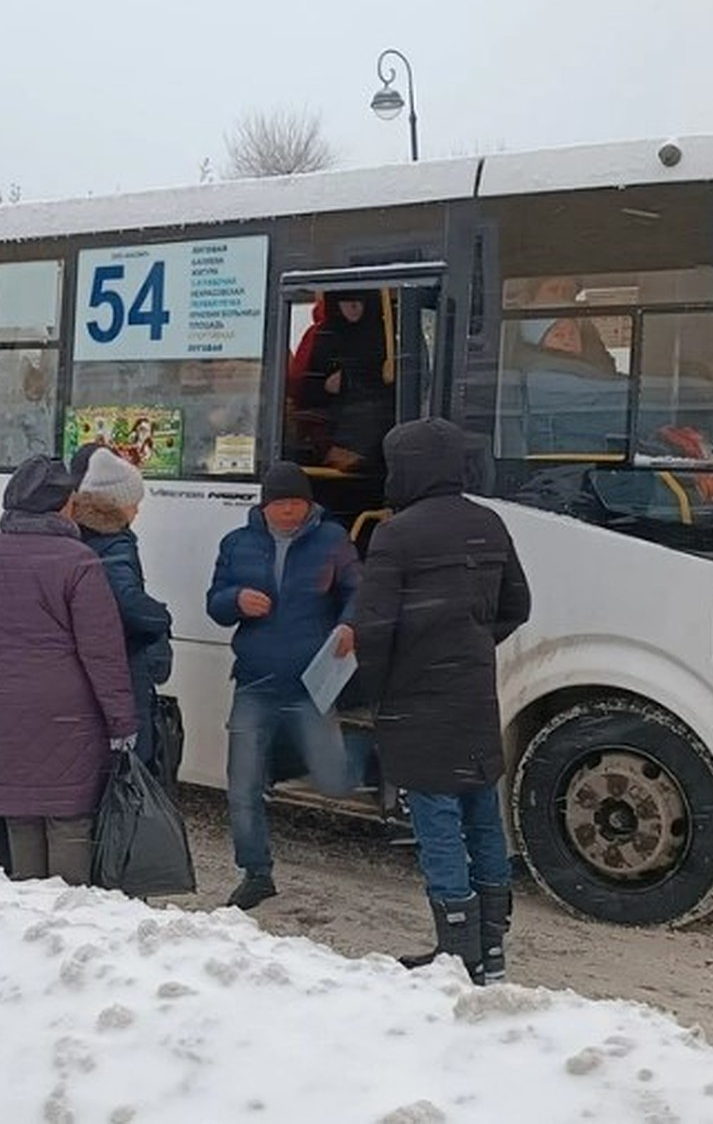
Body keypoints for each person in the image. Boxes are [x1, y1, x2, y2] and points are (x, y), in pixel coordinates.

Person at [353, 418, 532, 984]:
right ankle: (492, 950)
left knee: (436, 822)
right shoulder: (488, 522)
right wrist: (471, 641)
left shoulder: (396, 534)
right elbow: (516, 606)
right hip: (474, 693)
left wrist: (372, 689)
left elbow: (374, 627)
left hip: (417, 698)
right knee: (482, 815)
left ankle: (456, 951)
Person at [0, 454, 138, 885]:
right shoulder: (78, 562)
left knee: (19, 817)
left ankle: (28, 919)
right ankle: (64, 919)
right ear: (62, 505)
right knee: (68, 819)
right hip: (63, 711)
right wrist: (122, 721)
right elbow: (102, 653)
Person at [206, 460, 362, 910]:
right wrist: (234, 600)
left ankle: (367, 758)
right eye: (281, 504)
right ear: (265, 505)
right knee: (242, 784)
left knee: (333, 779)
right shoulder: (237, 544)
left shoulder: (332, 540)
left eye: (297, 504)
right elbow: (214, 602)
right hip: (255, 679)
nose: (289, 513)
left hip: (310, 683)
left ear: (309, 504)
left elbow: (359, 589)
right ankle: (256, 873)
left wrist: (350, 623)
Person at [73, 446, 173, 769]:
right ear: (115, 503)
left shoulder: (78, 532)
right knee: (132, 764)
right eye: (134, 503)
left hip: (92, 658)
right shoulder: (115, 541)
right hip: (124, 663)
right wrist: (160, 615)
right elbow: (127, 603)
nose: (137, 511)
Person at [292, 290, 395, 473]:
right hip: (334, 446)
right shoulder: (322, 337)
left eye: (359, 299)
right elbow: (301, 391)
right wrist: (324, 386)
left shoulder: (389, 336)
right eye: (345, 300)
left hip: (383, 442)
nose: (354, 306)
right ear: (334, 302)